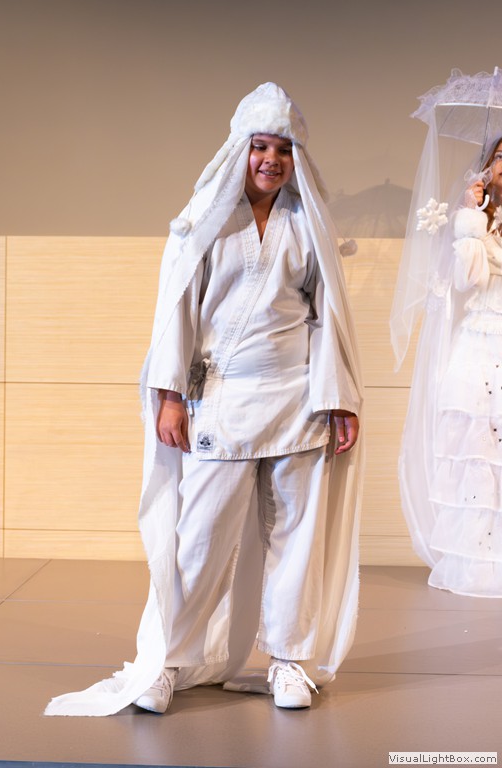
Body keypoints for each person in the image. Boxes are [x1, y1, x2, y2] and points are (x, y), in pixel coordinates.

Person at [44, 82, 364, 717]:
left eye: (284, 148)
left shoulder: (308, 223)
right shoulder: (203, 221)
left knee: (295, 536)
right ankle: (168, 659)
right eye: (260, 146)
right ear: (238, 149)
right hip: (222, 396)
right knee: (200, 537)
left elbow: (328, 317)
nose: (271, 160)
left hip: (298, 398)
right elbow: (176, 314)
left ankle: (288, 660)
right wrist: (169, 397)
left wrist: (340, 398)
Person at [422, 137, 502, 596]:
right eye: (499, 156)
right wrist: (471, 218)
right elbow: (466, 279)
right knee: (477, 448)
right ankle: (478, 564)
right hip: (481, 337)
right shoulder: (475, 219)